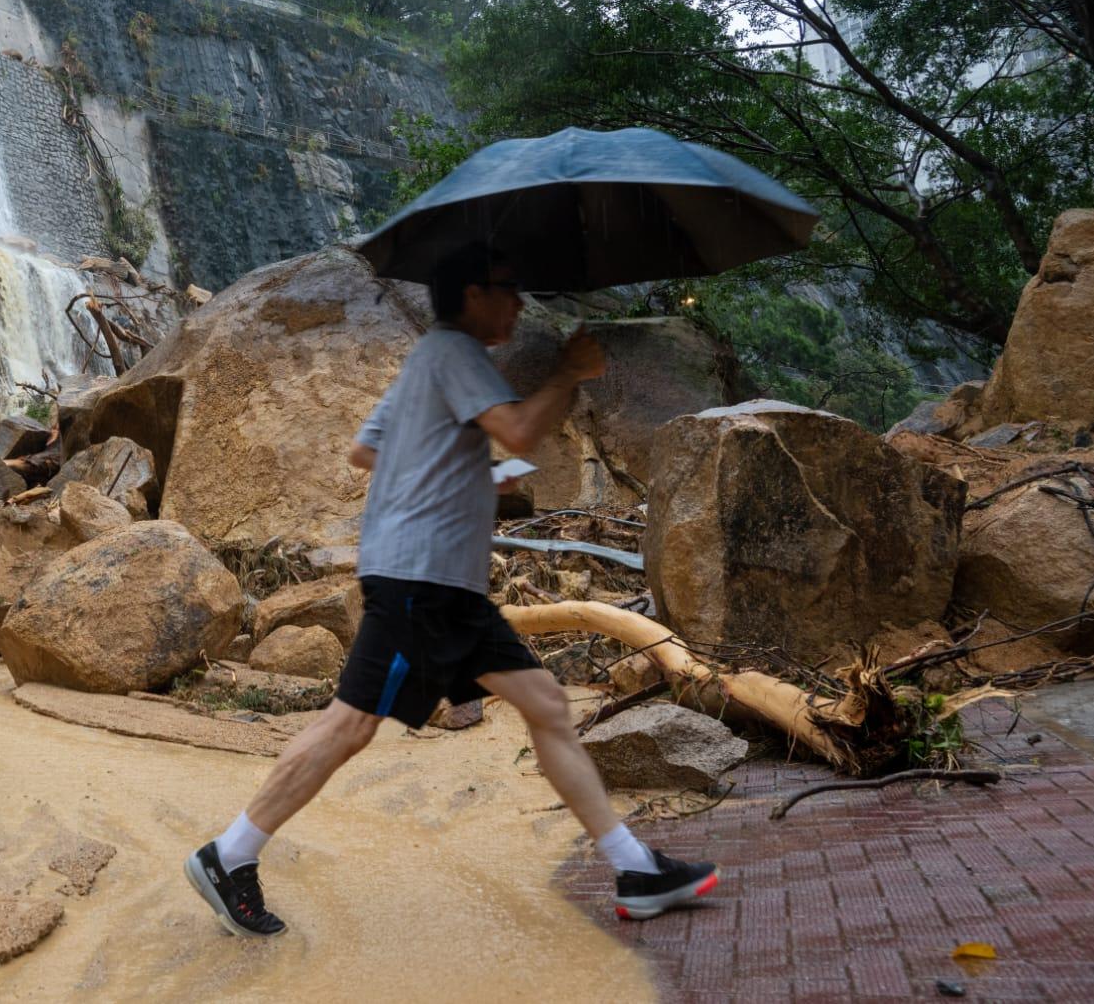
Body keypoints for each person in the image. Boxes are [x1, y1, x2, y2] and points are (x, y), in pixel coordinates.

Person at [184, 243, 717, 936]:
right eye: (506, 288)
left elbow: (368, 449)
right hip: (420, 582)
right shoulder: (454, 351)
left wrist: (474, 475)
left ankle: (634, 867)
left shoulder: (426, 362)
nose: (518, 303)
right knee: (349, 724)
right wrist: (568, 372)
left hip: (441, 585)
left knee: (545, 702)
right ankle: (230, 853)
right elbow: (523, 427)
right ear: (470, 293)